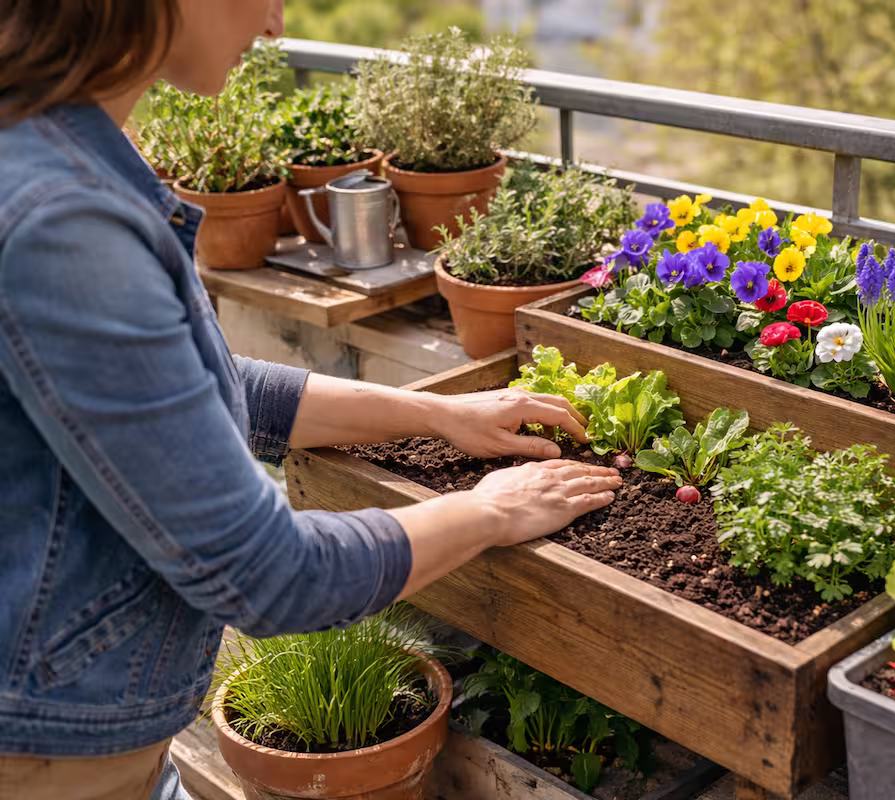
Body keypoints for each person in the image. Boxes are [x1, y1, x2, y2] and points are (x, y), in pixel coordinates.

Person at [0, 2, 622, 798]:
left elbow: (217, 391)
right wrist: (490, 511)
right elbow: (265, 575)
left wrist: (438, 413)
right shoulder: (65, 223)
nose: (274, 24)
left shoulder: (50, 146)